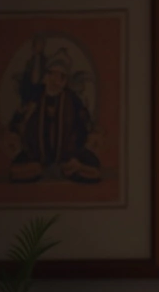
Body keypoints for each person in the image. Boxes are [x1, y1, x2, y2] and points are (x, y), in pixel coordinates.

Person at [5, 39, 102, 184]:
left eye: (61, 77)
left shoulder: (73, 99)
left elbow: (86, 124)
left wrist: (81, 154)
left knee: (93, 172)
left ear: (65, 81)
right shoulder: (36, 97)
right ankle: (40, 170)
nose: (56, 81)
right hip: (36, 157)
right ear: (46, 77)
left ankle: (70, 168)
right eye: (53, 75)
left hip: (68, 158)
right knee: (17, 172)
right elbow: (17, 120)